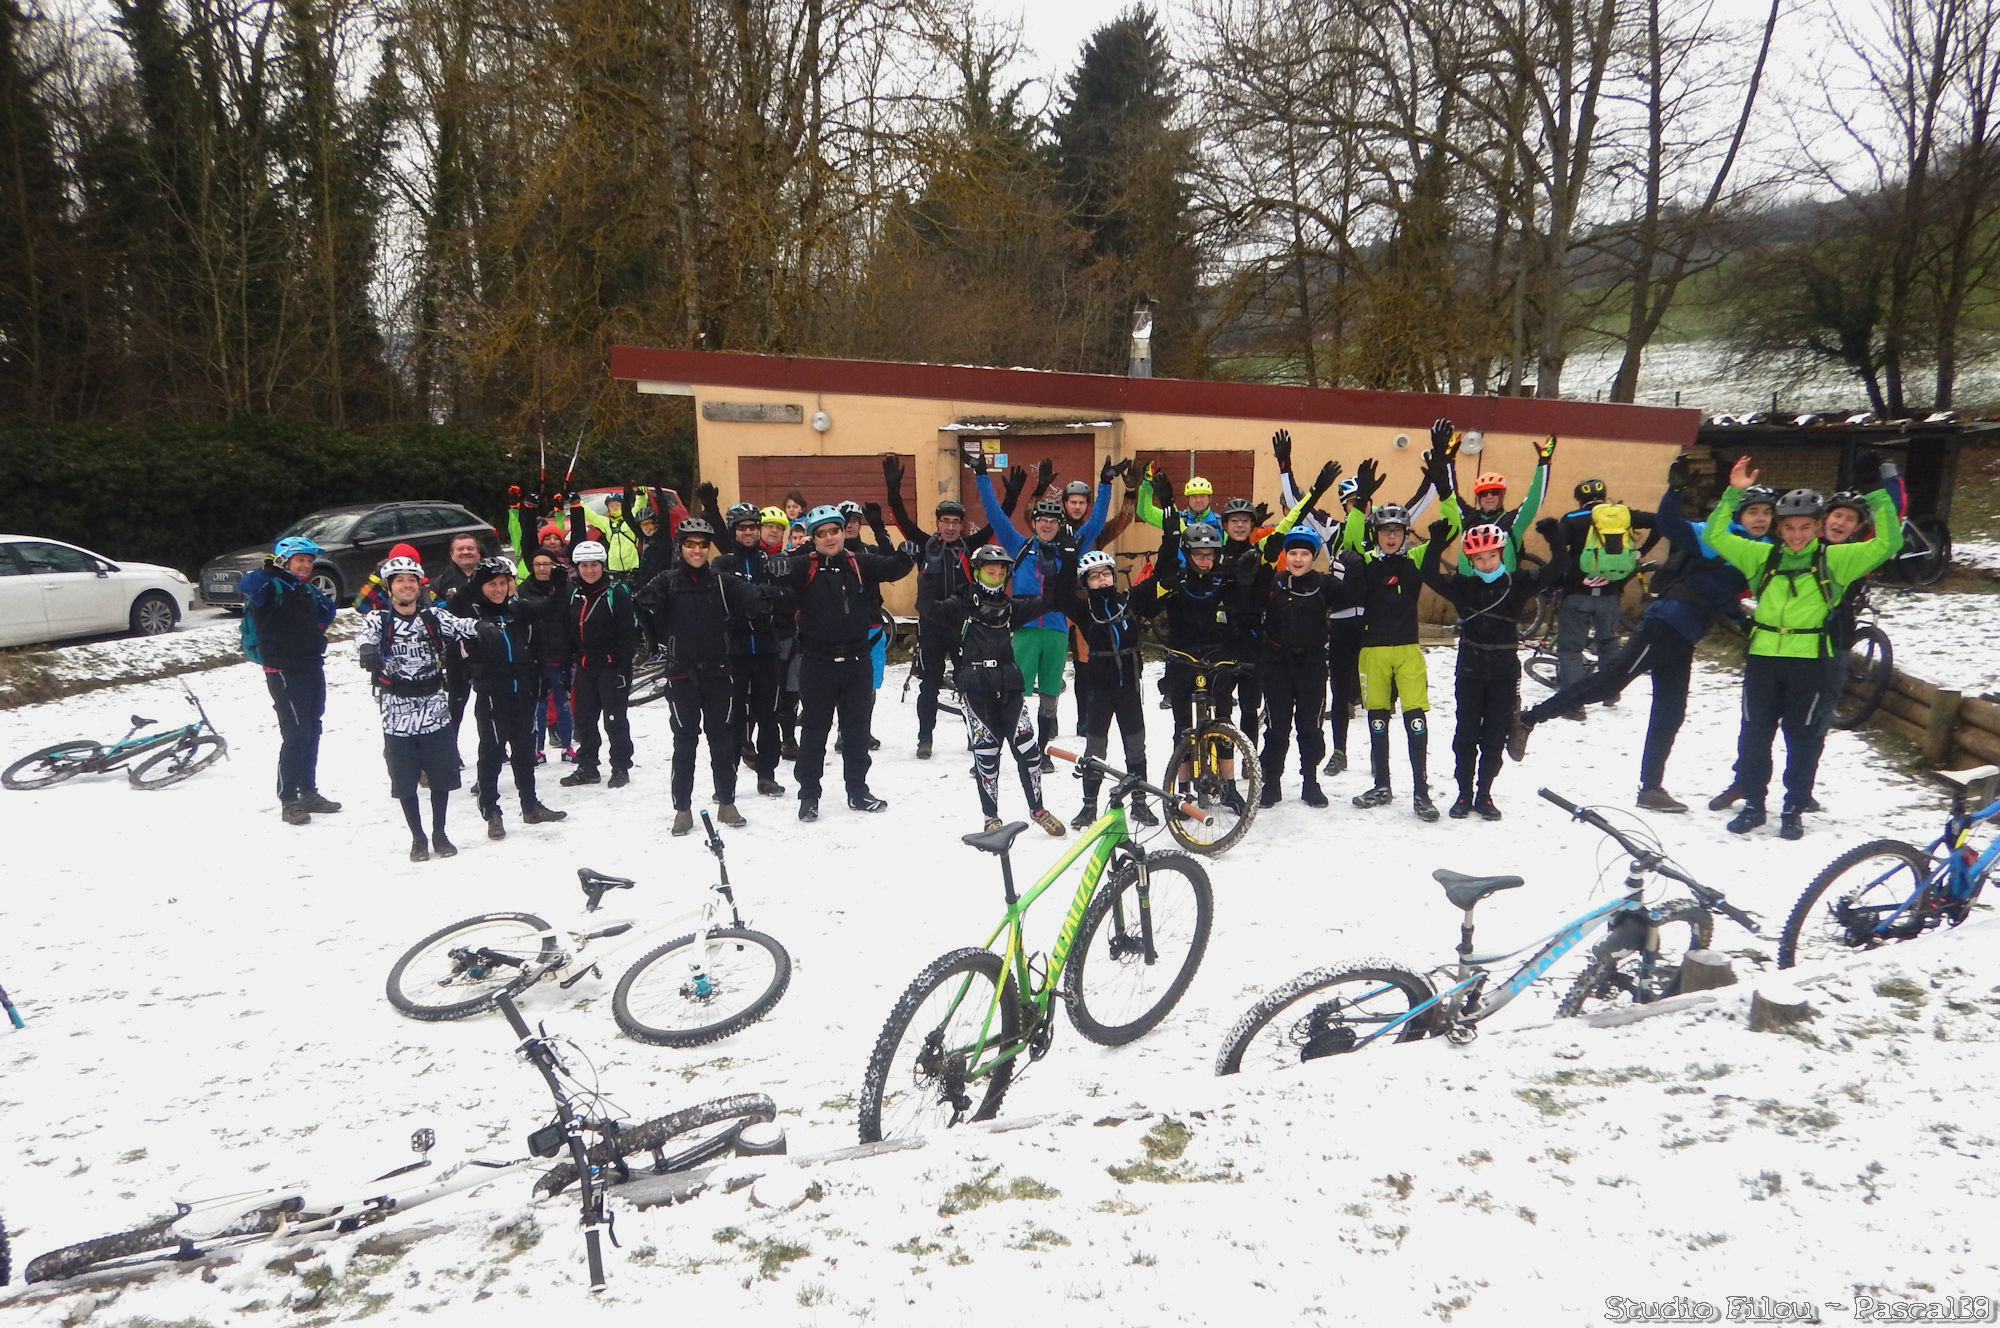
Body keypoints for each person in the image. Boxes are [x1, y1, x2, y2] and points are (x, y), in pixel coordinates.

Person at [1509, 455, 1755, 812]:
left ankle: (1651, 788)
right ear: (1739, 515)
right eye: (1752, 513)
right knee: (1611, 681)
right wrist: (1675, 490)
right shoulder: (1718, 536)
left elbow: (1721, 595)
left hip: (1686, 635)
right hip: (1665, 623)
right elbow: (1669, 523)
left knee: (1671, 711)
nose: (1758, 520)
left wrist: (1745, 623)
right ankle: (1528, 719)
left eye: (1765, 515)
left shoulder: (1758, 554)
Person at [1703, 456, 1903, 838]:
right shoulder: (1762, 555)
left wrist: (1878, 498)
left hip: (1809, 661)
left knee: (1802, 736)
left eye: (1805, 527)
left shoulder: (1836, 559)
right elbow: (1714, 537)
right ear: (1779, 529)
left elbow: (1890, 542)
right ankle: (1754, 807)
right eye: (1790, 528)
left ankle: (1793, 807)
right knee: (1755, 734)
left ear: (1817, 526)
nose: (1797, 535)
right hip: (1763, 658)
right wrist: (1734, 493)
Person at [1341, 426, 1464, 820]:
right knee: (1377, 720)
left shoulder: (1415, 559)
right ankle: (1381, 784)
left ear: (1404, 533)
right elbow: (1348, 542)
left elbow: (1454, 528)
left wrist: (1444, 486)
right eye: (1385, 531)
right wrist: (1360, 502)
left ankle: (1421, 791)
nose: (1391, 537)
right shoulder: (1368, 560)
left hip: (1408, 650)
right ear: (1377, 533)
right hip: (1373, 650)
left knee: (1415, 720)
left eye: (1397, 531)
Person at [766, 505, 915, 821]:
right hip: (817, 663)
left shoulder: (858, 562)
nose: (829, 538)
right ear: (814, 538)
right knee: (814, 733)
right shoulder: (802, 565)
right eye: (822, 533)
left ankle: (857, 790)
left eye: (834, 531)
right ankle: (808, 796)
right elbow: (770, 582)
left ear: (841, 532)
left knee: (856, 731)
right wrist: (774, 565)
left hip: (856, 660)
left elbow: (893, 569)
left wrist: (907, 554)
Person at [882, 454, 1025, 759]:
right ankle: (925, 738)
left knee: (970, 685)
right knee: (929, 685)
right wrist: (893, 490)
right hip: (932, 628)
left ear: (961, 525)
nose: (949, 527)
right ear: (937, 523)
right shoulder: (924, 544)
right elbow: (902, 518)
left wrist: (1011, 496)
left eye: (955, 522)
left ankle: (976, 734)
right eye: (945, 521)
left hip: (965, 629)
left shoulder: (970, 547)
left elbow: (997, 522)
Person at [973, 452, 1111, 768]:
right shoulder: (1019, 544)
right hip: (1023, 630)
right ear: (1034, 523)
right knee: (1012, 695)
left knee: (1049, 698)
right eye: (1042, 521)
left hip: (1055, 631)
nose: (1047, 525)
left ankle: (1042, 751)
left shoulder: (1069, 548)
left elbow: (1097, 522)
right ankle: (994, 750)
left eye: (1053, 521)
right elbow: (995, 515)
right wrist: (982, 474)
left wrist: (1104, 485)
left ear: (1059, 524)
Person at [1419, 521, 1561, 819]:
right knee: (1466, 734)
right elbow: (1428, 574)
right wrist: (1436, 543)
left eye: (1492, 557)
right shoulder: (1464, 586)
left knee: (1495, 735)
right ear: (1471, 562)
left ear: (1501, 555)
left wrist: (1554, 537)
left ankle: (1484, 794)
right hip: (1470, 670)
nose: (1486, 564)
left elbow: (1557, 568)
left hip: (1504, 672)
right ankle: (1464, 793)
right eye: (1479, 559)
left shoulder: (1516, 583)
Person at [358, 554, 489, 860]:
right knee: (404, 780)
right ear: (390, 588)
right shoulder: (379, 620)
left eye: (412, 580)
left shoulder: (433, 617)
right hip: (396, 712)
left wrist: (486, 628)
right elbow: (364, 637)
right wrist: (367, 650)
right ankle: (417, 836)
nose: (406, 586)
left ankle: (440, 832)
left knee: (440, 776)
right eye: (400, 581)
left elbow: (463, 625)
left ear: (419, 586)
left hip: (433, 708)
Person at [638, 516, 764, 834]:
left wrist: (771, 594)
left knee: (722, 740)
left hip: (719, 674)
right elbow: (640, 606)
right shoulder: (666, 581)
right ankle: (682, 808)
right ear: (681, 547)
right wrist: (656, 638)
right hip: (681, 676)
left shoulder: (721, 581)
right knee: (685, 743)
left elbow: (754, 595)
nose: (697, 551)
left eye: (703, 545)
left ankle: (727, 802)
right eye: (691, 545)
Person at [1131, 517, 1260, 811]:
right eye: (1199, 555)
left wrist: (1243, 583)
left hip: (1219, 656)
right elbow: (1146, 607)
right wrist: (1163, 585)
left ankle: (1228, 787)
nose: (1205, 561)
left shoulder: (1223, 578)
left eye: (1210, 555)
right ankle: (1185, 790)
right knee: (1183, 728)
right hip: (1182, 657)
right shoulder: (1179, 580)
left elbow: (1243, 611)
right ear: (1188, 554)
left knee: (1225, 721)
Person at [940, 544, 1066, 834]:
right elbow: (930, 611)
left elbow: (1050, 601)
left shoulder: (1010, 608)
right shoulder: (962, 605)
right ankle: (991, 817)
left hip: (1009, 688)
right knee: (986, 755)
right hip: (976, 690)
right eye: (989, 571)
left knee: (1029, 751)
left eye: (1000, 572)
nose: (995, 576)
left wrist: (1051, 574)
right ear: (977, 571)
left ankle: (1038, 809)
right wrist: (930, 575)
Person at [462, 556, 567, 837]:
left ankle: (530, 806)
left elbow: (547, 616)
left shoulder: (518, 610)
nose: (498, 590)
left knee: (524, 752)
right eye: (492, 585)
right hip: (493, 697)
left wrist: (542, 678)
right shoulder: (472, 616)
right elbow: (457, 649)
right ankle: (492, 812)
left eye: (503, 583)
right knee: (492, 755)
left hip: (524, 692)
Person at [238, 535, 340, 825]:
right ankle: (289, 800)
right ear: (285, 560)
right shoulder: (270, 586)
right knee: (295, 733)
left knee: (312, 728)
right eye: (300, 560)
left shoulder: (304, 590)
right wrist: (268, 571)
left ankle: (308, 791)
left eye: (309, 561)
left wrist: (313, 633)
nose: (306, 565)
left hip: (311, 665)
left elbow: (328, 610)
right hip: (282, 670)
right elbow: (247, 587)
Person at [1057, 549, 1157, 827]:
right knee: (1095, 749)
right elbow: (1059, 593)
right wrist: (1067, 555)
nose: (1102, 580)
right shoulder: (1083, 609)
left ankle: (1139, 802)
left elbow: (1159, 579)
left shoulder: (1128, 602)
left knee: (1136, 747)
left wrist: (1172, 539)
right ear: (1084, 581)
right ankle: (1089, 807)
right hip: (1099, 688)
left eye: (1106, 574)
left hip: (1128, 687)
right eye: (1094, 576)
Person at [1548, 480, 1658, 704]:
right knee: (1609, 642)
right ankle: (1610, 692)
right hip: (1609, 593)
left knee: (1571, 648)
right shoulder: (1625, 514)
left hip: (1578, 591)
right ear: (1605, 496)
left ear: (1579, 500)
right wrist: (1641, 552)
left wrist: (1558, 580)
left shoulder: (1572, 519)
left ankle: (1573, 703)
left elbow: (1558, 552)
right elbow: (1660, 522)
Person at [561, 540, 640, 789]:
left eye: (594, 565)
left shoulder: (616, 593)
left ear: (602, 566)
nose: (589, 570)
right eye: (584, 565)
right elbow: (569, 631)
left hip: (611, 666)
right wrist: (569, 662)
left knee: (614, 719)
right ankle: (588, 765)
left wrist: (622, 669)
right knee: (583, 718)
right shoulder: (575, 594)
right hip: (585, 666)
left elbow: (629, 634)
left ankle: (620, 766)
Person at [519, 548, 575, 763]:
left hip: (561, 655)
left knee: (564, 703)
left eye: (546, 564)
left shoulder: (566, 588)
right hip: (535, 657)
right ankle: (537, 748)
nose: (542, 568)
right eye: (537, 564)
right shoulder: (524, 591)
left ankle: (567, 746)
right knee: (538, 706)